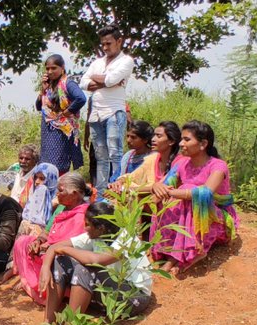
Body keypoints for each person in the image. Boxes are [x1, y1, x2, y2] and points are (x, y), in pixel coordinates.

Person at [18, 202, 152, 325]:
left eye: (87, 225)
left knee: (85, 267)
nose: (84, 227)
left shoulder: (125, 241)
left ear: (101, 228)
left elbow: (97, 260)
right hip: (109, 293)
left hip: (132, 298)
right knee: (61, 261)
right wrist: (45, 268)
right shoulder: (96, 234)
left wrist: (65, 249)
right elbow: (55, 248)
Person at [150, 120, 239, 274]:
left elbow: (205, 193)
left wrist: (172, 192)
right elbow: (166, 183)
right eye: (181, 139)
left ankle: (193, 252)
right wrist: (157, 187)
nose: (180, 143)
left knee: (192, 194)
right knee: (160, 198)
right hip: (190, 214)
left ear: (203, 144)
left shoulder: (218, 166)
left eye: (187, 139)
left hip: (215, 218)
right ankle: (170, 251)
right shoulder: (182, 163)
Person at [12, 173, 90, 304]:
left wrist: (48, 247)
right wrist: (38, 241)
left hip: (65, 256)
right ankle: (32, 281)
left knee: (56, 260)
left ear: (75, 193)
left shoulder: (84, 215)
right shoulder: (61, 208)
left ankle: (54, 291)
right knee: (22, 241)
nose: (57, 194)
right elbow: (47, 231)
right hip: (49, 248)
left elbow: (76, 246)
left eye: (60, 191)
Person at [79, 24, 135, 197]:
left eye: (108, 43)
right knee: (101, 156)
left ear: (119, 41)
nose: (105, 47)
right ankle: (102, 194)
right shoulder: (97, 62)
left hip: (114, 112)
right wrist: (106, 80)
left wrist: (105, 80)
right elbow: (83, 82)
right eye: (102, 44)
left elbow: (111, 80)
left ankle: (117, 192)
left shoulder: (126, 60)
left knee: (115, 154)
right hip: (96, 115)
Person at [36, 54, 87, 174]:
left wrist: (67, 112)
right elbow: (39, 106)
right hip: (48, 129)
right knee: (46, 162)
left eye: (53, 68)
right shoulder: (49, 86)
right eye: (47, 69)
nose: (50, 71)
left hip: (62, 131)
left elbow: (81, 98)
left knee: (58, 163)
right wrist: (42, 90)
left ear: (62, 68)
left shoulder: (68, 84)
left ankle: (60, 187)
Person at [108, 121, 182, 194]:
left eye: (158, 136)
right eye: (154, 135)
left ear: (171, 141)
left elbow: (164, 189)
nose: (153, 139)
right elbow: (132, 177)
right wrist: (119, 182)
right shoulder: (151, 159)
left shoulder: (180, 163)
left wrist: (130, 188)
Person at [17, 163, 60, 237]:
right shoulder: (34, 195)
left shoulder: (59, 201)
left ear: (51, 179)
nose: (37, 182)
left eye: (42, 178)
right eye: (35, 177)